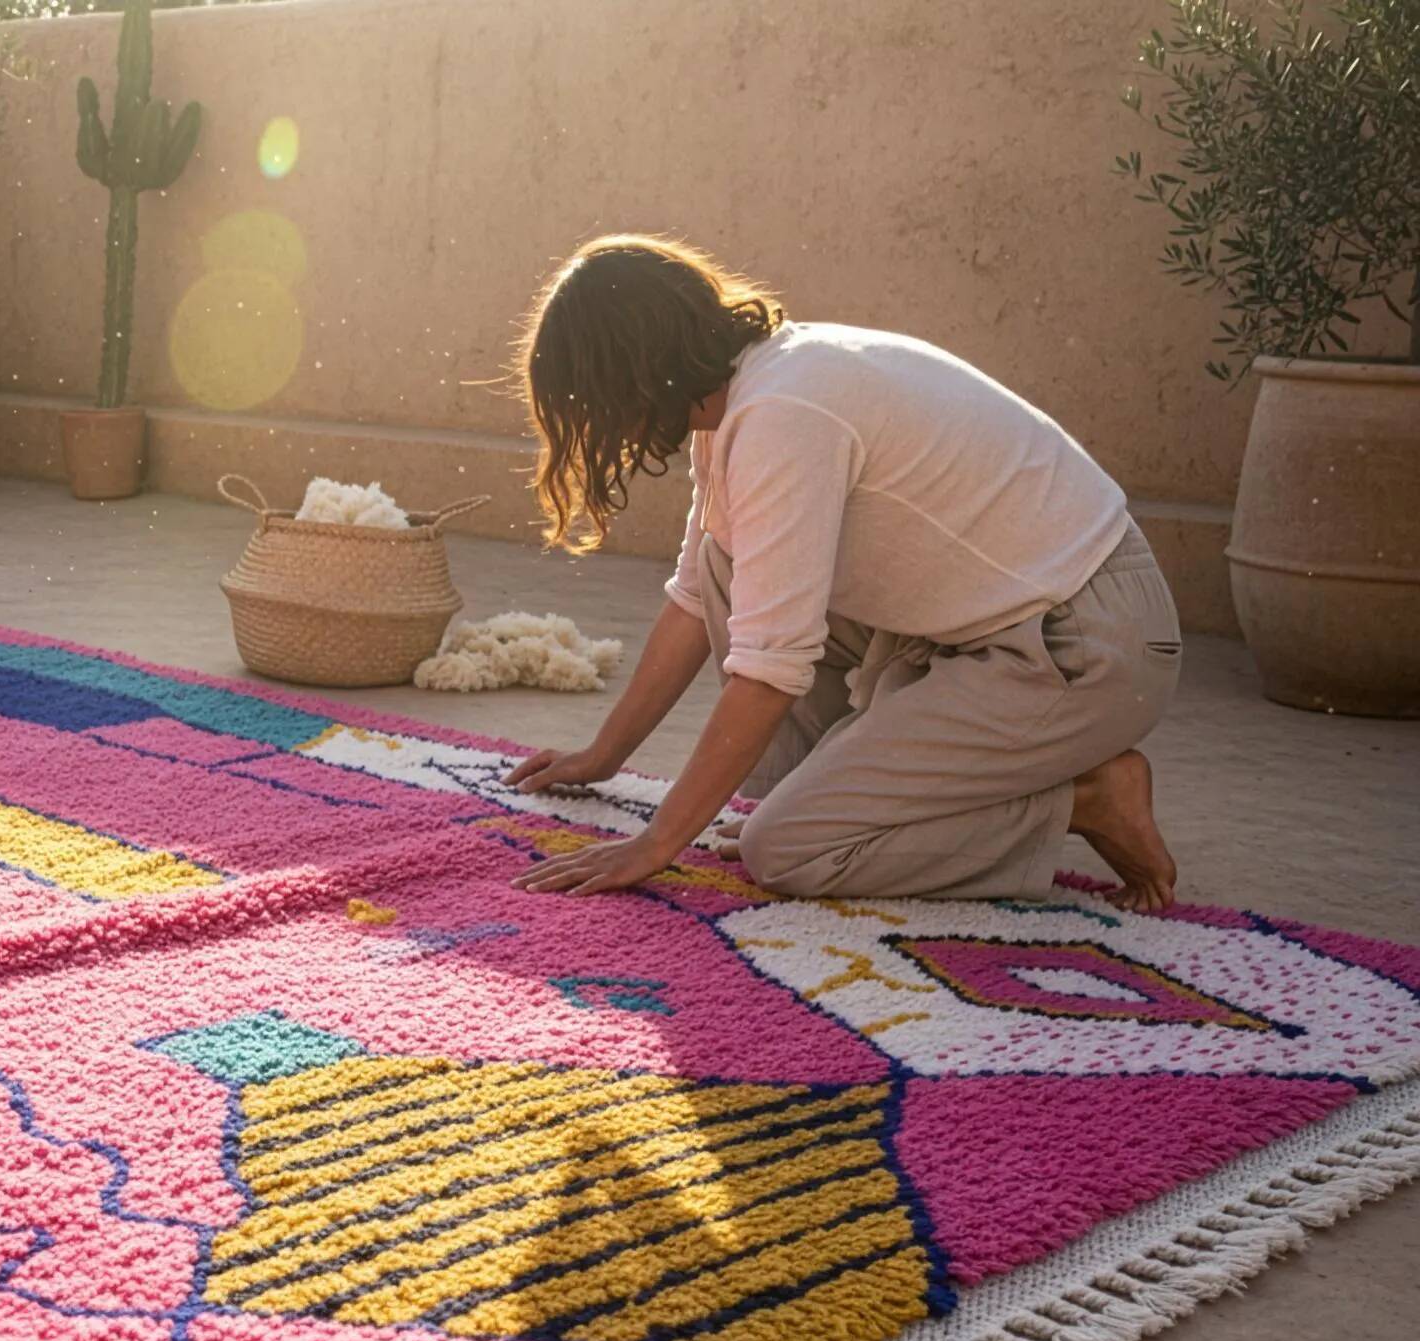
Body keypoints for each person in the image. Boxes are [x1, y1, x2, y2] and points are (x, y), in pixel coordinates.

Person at [502, 235, 1182, 910]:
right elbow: (693, 598)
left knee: (791, 851)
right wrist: (603, 754)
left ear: (634, 372)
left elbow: (772, 666)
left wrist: (656, 845)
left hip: (1081, 647)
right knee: (723, 561)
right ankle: (837, 794)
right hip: (986, 627)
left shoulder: (782, 413)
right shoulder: (746, 393)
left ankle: (1086, 799)